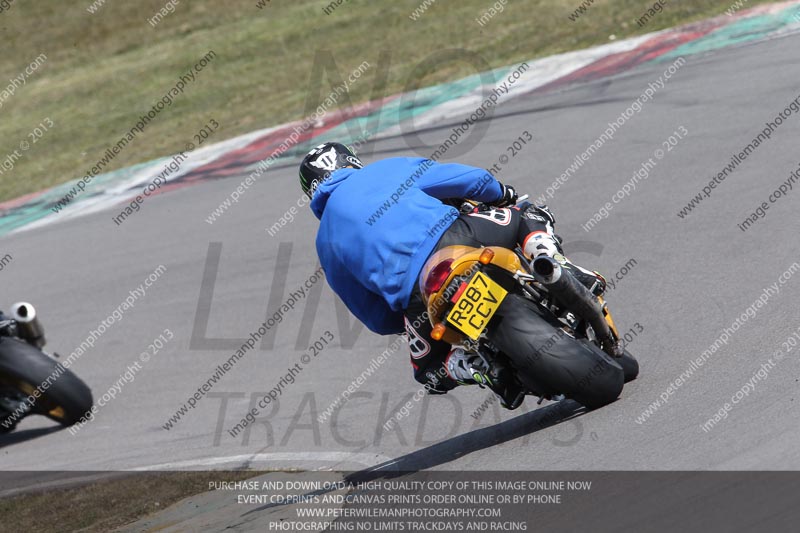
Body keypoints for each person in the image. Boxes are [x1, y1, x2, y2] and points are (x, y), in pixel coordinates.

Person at [300, 142, 605, 410]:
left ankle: (473, 367)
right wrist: (501, 193)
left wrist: (405, 317)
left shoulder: (324, 243)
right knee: (523, 211)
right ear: (351, 162)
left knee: (428, 372)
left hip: (416, 295)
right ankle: (551, 261)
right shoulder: (386, 169)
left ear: (312, 193)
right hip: (460, 237)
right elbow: (466, 180)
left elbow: (375, 318)